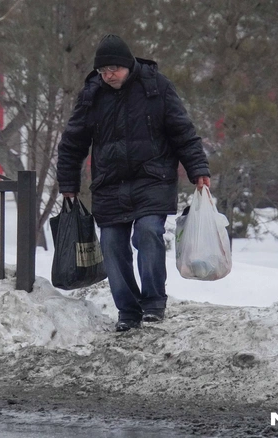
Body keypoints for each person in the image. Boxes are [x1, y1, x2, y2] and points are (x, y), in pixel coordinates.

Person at [57, 34, 211, 332]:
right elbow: (72, 142)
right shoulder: (92, 95)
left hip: (152, 178)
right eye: (103, 71)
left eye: (113, 69)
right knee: (112, 245)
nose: (108, 75)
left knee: (148, 233)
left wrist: (198, 169)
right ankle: (128, 311)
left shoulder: (157, 87)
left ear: (128, 65)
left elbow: (183, 132)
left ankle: (153, 303)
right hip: (109, 183)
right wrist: (68, 182)